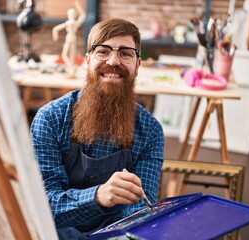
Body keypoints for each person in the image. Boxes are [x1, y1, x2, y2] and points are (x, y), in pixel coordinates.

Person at [31, 18, 164, 239]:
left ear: (138, 64)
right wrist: (98, 196)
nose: (113, 61)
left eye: (125, 53)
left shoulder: (150, 131)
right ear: (87, 59)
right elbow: (44, 206)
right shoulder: (51, 119)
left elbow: (140, 212)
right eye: (102, 51)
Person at [52, 0, 86, 78]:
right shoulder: (76, 23)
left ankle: (70, 66)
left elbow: (56, 28)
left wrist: (55, 35)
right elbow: (83, 15)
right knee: (72, 55)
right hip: (74, 37)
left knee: (65, 54)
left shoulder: (69, 23)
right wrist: (78, 5)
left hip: (69, 37)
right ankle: (71, 66)